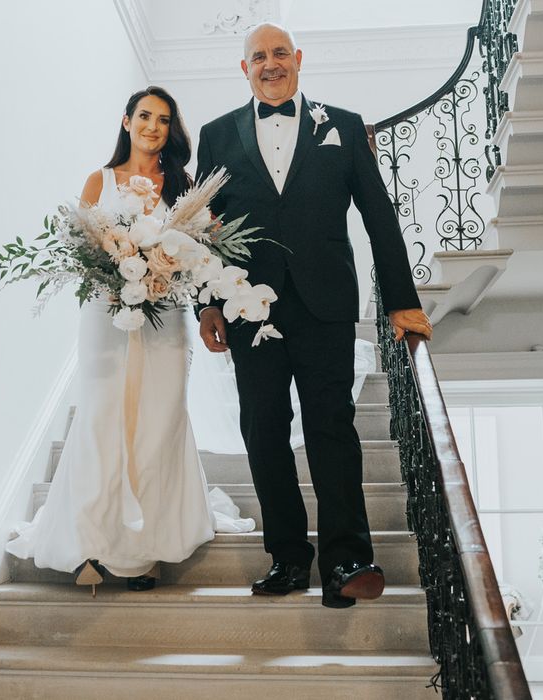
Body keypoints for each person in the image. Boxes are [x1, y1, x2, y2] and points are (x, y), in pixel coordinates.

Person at [196, 23, 433, 608]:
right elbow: (201, 231)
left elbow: (379, 217)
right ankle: (287, 556)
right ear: (243, 68)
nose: (271, 64)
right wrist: (205, 303)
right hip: (249, 308)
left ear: (299, 60)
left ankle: (347, 558)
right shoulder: (216, 134)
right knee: (264, 430)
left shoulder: (345, 127)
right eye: (259, 57)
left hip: (326, 305)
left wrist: (402, 301)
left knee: (331, 427)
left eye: (280, 54)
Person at [6, 86, 253, 594]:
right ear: (126, 121)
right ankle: (91, 544)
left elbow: (199, 257)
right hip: (106, 316)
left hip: (165, 318)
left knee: (159, 421)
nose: (153, 127)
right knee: (101, 421)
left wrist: (165, 274)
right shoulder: (100, 180)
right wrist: (117, 269)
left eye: (164, 120)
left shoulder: (183, 187)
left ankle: (145, 552)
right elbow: (79, 245)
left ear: (171, 130)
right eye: (145, 116)